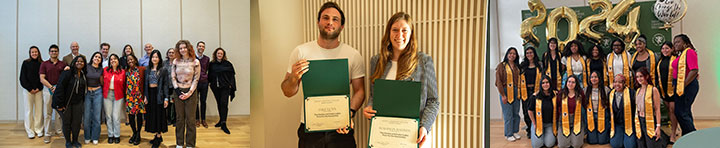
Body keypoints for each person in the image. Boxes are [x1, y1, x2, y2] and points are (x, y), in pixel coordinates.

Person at [280, 2, 366, 147]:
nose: (330, 22)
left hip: (341, 129)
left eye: (335, 19)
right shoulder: (301, 52)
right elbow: (287, 92)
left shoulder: (353, 55)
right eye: (325, 18)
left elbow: (360, 91)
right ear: (318, 22)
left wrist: (349, 113)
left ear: (342, 26)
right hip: (310, 130)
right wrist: (294, 77)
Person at [361, 12, 438, 148]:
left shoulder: (424, 61)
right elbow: (374, 95)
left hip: (413, 137)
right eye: (395, 30)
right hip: (383, 135)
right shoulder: (376, 61)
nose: (399, 35)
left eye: (404, 30)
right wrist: (369, 107)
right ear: (388, 33)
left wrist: (425, 127)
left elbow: (433, 101)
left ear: (411, 34)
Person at [172, 40, 202, 148]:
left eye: (184, 47)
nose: (182, 50)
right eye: (180, 48)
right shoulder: (175, 61)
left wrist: (189, 93)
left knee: (191, 119)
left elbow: (196, 79)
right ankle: (179, 143)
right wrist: (178, 91)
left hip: (191, 92)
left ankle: (190, 144)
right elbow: (173, 77)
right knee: (180, 119)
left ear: (188, 48)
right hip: (178, 92)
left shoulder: (195, 62)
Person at [52, 56, 87, 148]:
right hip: (66, 103)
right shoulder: (68, 72)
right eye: (78, 61)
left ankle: (75, 140)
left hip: (78, 103)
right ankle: (68, 141)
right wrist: (59, 104)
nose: (80, 63)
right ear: (74, 62)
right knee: (67, 123)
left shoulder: (83, 74)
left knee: (76, 123)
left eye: (82, 61)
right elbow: (60, 87)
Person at [671, 34, 699, 136]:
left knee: (681, 112)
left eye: (678, 42)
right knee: (685, 112)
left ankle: (692, 135)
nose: (676, 44)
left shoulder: (690, 52)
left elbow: (694, 70)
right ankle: (688, 136)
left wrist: (683, 85)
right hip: (680, 85)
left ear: (686, 43)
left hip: (687, 85)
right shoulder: (682, 54)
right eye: (674, 42)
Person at [39, 44, 66, 144]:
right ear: (49, 52)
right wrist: (51, 87)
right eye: (52, 51)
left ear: (58, 52)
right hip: (47, 90)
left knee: (59, 113)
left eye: (55, 51)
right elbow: (42, 78)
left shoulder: (62, 64)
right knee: (47, 113)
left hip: (59, 90)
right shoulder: (44, 64)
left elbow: (65, 77)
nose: (54, 53)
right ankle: (47, 133)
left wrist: (57, 87)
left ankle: (59, 131)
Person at [634, 67, 667, 148]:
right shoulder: (638, 91)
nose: (639, 79)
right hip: (639, 121)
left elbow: (657, 109)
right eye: (637, 77)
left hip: (650, 121)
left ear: (647, 76)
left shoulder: (653, 90)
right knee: (641, 145)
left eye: (641, 76)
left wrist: (658, 126)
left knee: (652, 145)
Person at [495, 47, 521, 142]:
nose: (512, 55)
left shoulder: (517, 67)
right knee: (508, 114)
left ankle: (515, 131)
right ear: (507, 54)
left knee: (516, 113)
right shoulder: (501, 66)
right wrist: (503, 95)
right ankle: (508, 134)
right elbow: (498, 81)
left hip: (515, 91)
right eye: (510, 53)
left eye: (514, 54)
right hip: (505, 91)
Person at [144, 50, 169, 148]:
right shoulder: (147, 69)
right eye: (153, 57)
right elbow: (145, 84)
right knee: (152, 115)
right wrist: (145, 95)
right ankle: (157, 135)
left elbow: (166, 85)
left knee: (159, 115)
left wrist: (166, 98)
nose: (154, 59)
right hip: (150, 94)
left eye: (156, 57)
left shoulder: (163, 70)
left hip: (159, 95)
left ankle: (158, 137)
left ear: (159, 59)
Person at [208, 47, 236, 134]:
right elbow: (209, 74)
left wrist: (232, 85)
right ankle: (221, 120)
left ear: (223, 55)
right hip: (215, 87)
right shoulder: (212, 64)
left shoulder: (228, 64)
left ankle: (224, 123)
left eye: (221, 53)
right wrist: (209, 82)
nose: (219, 55)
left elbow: (232, 76)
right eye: (218, 53)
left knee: (224, 103)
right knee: (219, 103)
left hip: (225, 87)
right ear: (215, 54)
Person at [20, 46, 44, 139]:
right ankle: (30, 131)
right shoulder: (26, 63)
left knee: (39, 111)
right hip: (28, 91)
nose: (34, 53)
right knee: (28, 111)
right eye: (32, 52)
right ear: (30, 53)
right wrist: (30, 89)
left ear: (38, 53)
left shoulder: (42, 63)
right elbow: (22, 78)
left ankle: (39, 129)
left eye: (36, 52)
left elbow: (42, 77)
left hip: (39, 90)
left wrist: (38, 88)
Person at [655, 41, 678, 142]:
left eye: (667, 48)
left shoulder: (676, 60)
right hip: (663, 89)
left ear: (672, 49)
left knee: (673, 111)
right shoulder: (660, 60)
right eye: (663, 48)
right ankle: (675, 128)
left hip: (674, 89)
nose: (665, 50)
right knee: (669, 110)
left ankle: (673, 134)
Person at [519, 46, 543, 138]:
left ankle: (537, 128)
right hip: (525, 91)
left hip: (536, 91)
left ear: (534, 54)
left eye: (531, 52)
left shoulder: (539, 65)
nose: (529, 54)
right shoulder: (522, 66)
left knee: (537, 110)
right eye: (527, 53)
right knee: (526, 111)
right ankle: (529, 129)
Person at [556, 75, 585, 148]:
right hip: (564, 120)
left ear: (576, 84)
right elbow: (557, 107)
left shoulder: (580, 93)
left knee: (576, 145)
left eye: (573, 82)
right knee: (562, 145)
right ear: (566, 83)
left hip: (577, 120)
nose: (570, 84)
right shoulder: (561, 93)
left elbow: (585, 104)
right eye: (569, 82)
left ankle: (574, 137)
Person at [609, 75, 637, 148]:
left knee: (630, 146)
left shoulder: (632, 93)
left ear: (624, 83)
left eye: (620, 82)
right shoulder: (610, 94)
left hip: (630, 124)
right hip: (617, 124)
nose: (617, 84)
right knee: (615, 145)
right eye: (615, 82)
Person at [528, 75, 557, 148]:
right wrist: (534, 123)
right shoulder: (535, 96)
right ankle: (538, 135)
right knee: (537, 145)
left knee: (549, 144)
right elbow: (530, 111)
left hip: (550, 124)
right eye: (543, 83)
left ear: (550, 83)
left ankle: (545, 135)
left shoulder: (555, 95)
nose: (545, 84)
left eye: (547, 82)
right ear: (540, 85)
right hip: (538, 124)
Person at [103, 54, 125, 144]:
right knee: (108, 116)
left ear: (118, 60)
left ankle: (117, 135)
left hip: (118, 95)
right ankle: (110, 135)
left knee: (116, 116)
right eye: (111, 59)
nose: (113, 60)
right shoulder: (105, 70)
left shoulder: (122, 72)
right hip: (107, 95)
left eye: (115, 59)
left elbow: (125, 85)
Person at [584, 71, 611, 145]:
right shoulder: (586, 89)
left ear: (599, 78)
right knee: (593, 142)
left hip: (602, 115)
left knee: (602, 142)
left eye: (595, 77)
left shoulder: (606, 89)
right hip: (590, 115)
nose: (594, 79)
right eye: (592, 77)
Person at [83, 52, 104, 145]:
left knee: (96, 116)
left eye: (99, 57)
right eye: (96, 56)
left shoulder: (101, 69)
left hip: (98, 93)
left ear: (101, 60)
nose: (97, 58)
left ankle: (95, 136)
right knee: (87, 117)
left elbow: (102, 82)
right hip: (87, 93)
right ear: (92, 58)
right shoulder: (86, 67)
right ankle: (87, 136)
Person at [125, 54, 146, 145]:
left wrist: (145, 95)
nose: (130, 61)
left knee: (139, 116)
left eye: (131, 59)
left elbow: (145, 83)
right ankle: (134, 132)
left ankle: (138, 134)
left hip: (139, 96)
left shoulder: (141, 69)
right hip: (130, 97)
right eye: (128, 60)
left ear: (135, 60)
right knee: (131, 117)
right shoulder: (126, 71)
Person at [195, 41, 210, 128]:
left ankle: (203, 119)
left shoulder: (207, 59)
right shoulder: (193, 58)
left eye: (203, 46)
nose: (201, 47)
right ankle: (197, 119)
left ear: (204, 48)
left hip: (204, 82)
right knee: (195, 102)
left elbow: (207, 69)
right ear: (197, 47)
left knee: (203, 101)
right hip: (195, 83)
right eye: (199, 46)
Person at [164, 48, 177, 126]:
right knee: (167, 103)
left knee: (176, 104)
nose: (171, 54)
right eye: (170, 52)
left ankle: (175, 120)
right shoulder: (164, 63)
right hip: (166, 86)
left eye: (173, 52)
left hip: (175, 86)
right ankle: (168, 119)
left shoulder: (178, 63)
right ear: (167, 54)